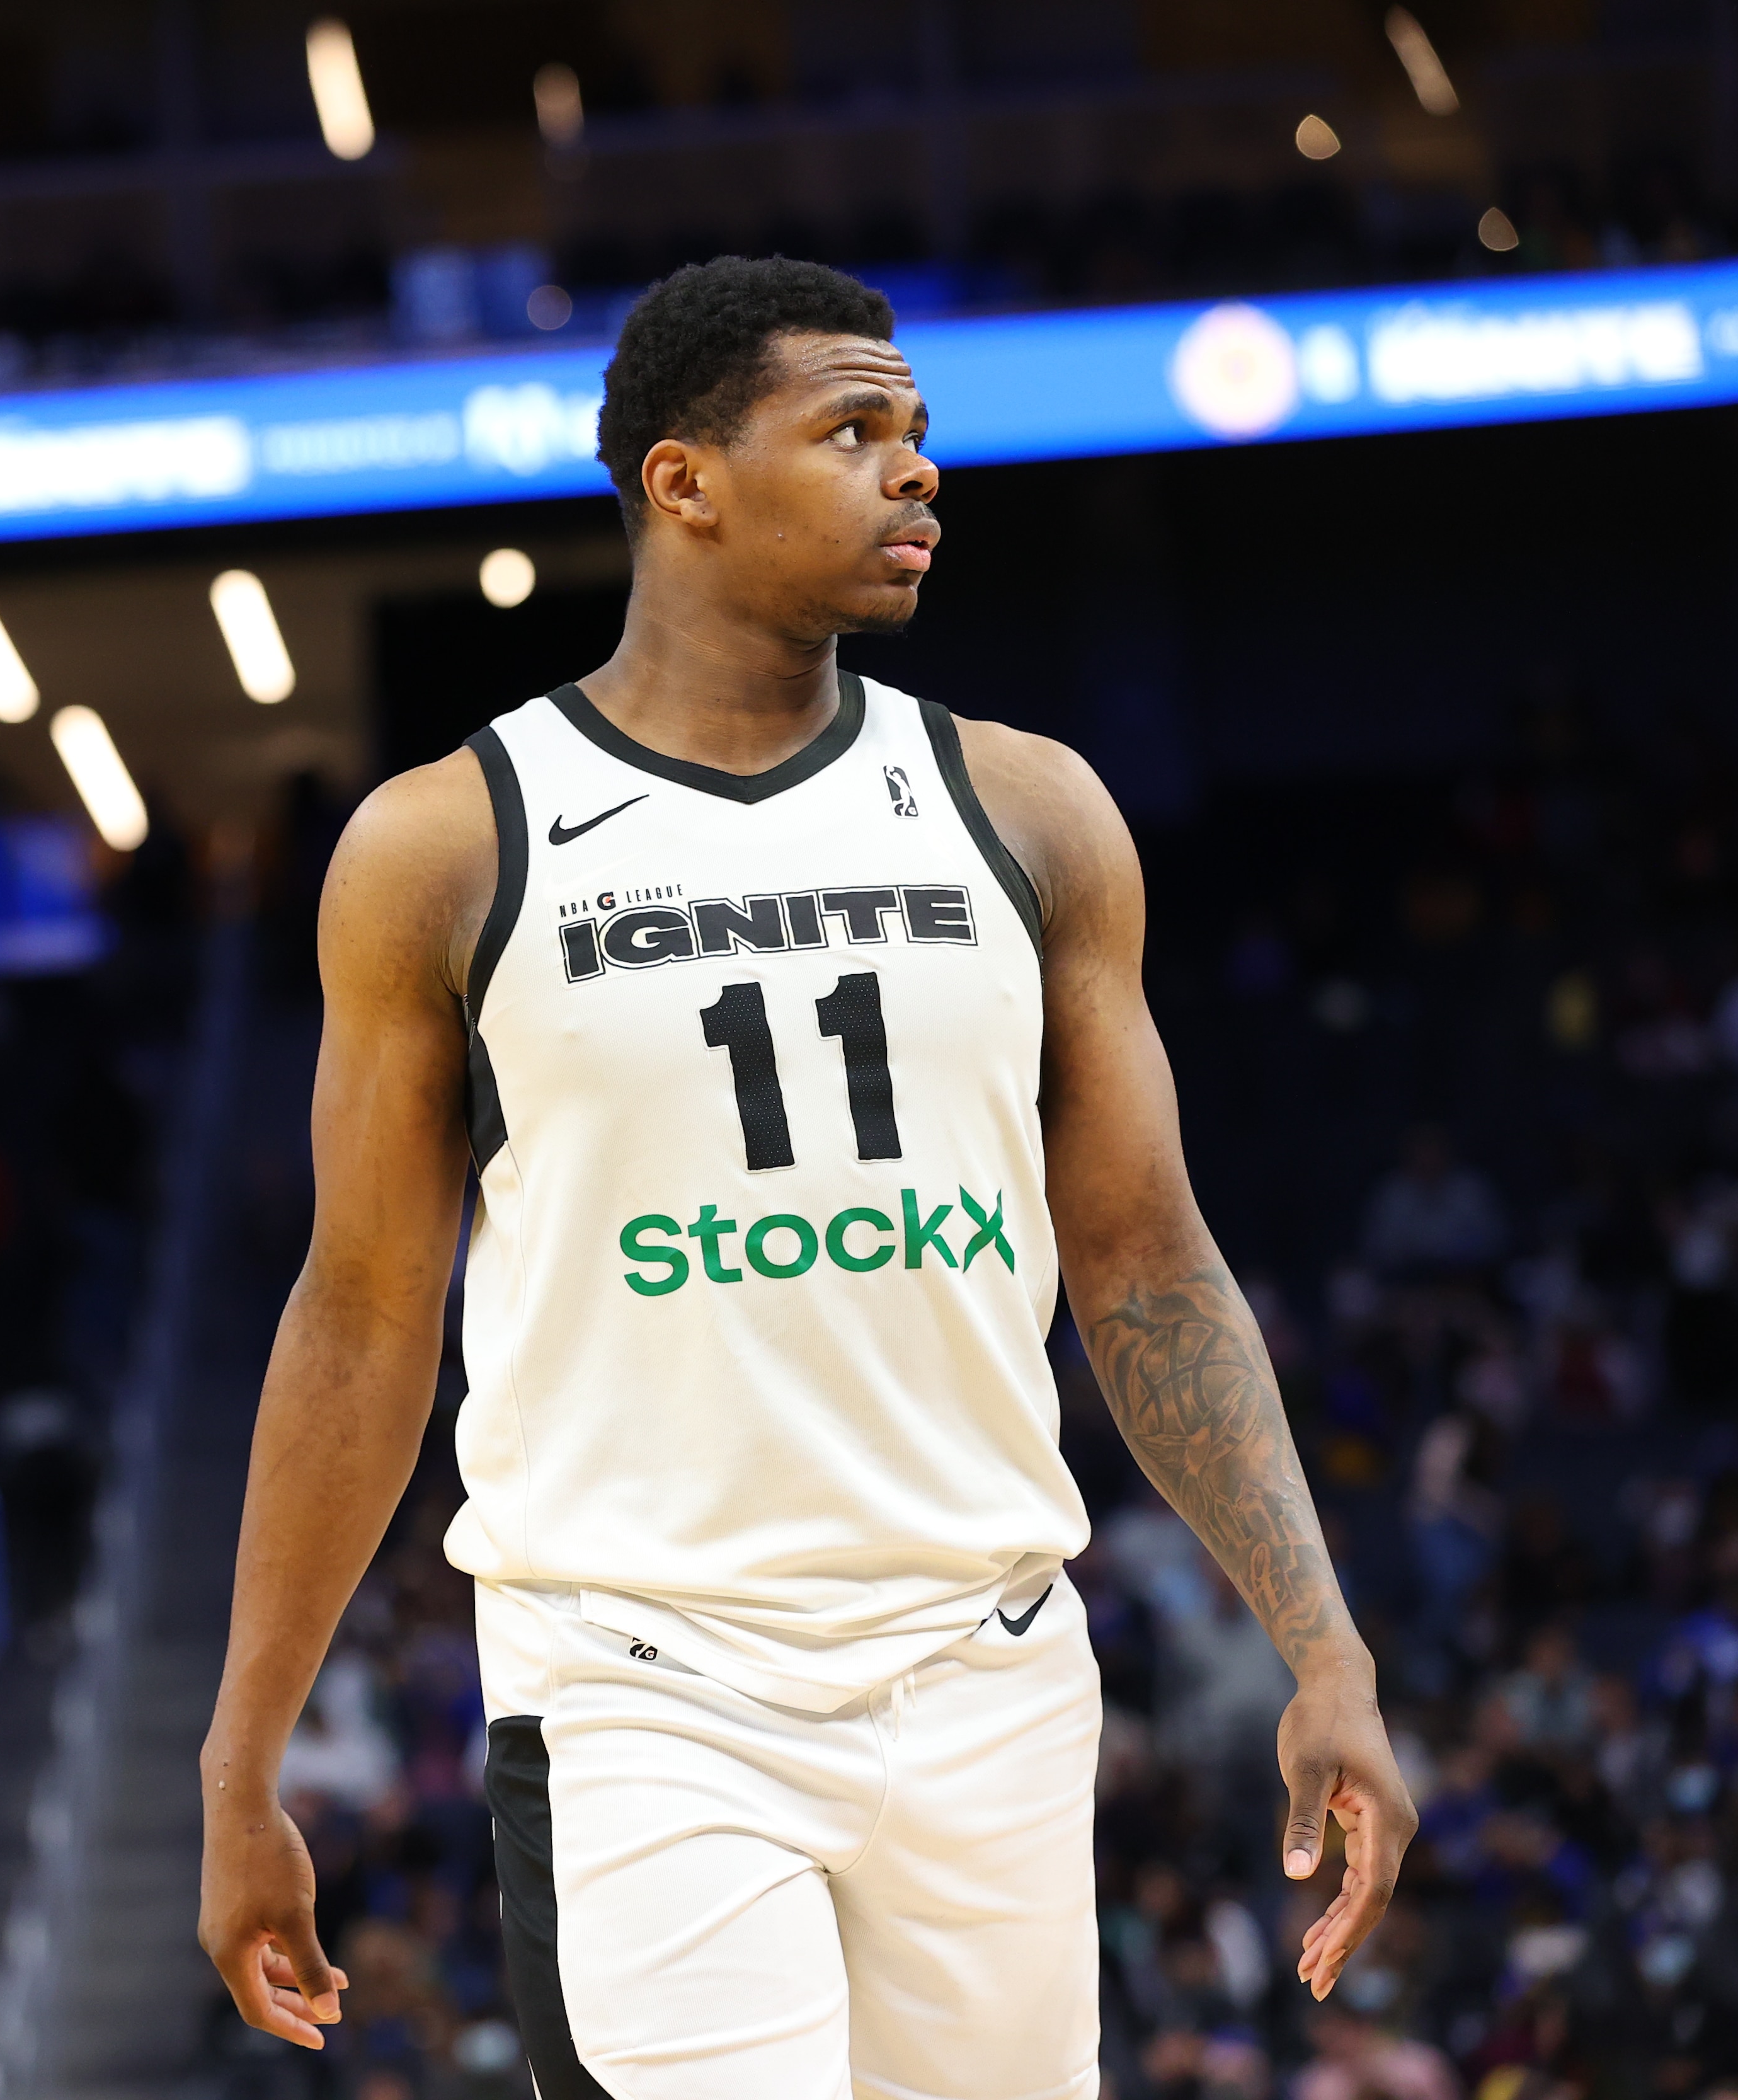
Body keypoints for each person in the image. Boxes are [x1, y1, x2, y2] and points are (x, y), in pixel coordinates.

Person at [197, 255, 1419, 2100]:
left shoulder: (1031, 810)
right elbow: (365, 1312)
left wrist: (1322, 1643)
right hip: (638, 1678)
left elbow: (1152, 1266)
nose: (915, 472)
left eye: (919, 434)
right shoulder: (450, 842)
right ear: (683, 482)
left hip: (989, 1664)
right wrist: (242, 1760)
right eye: (854, 432)